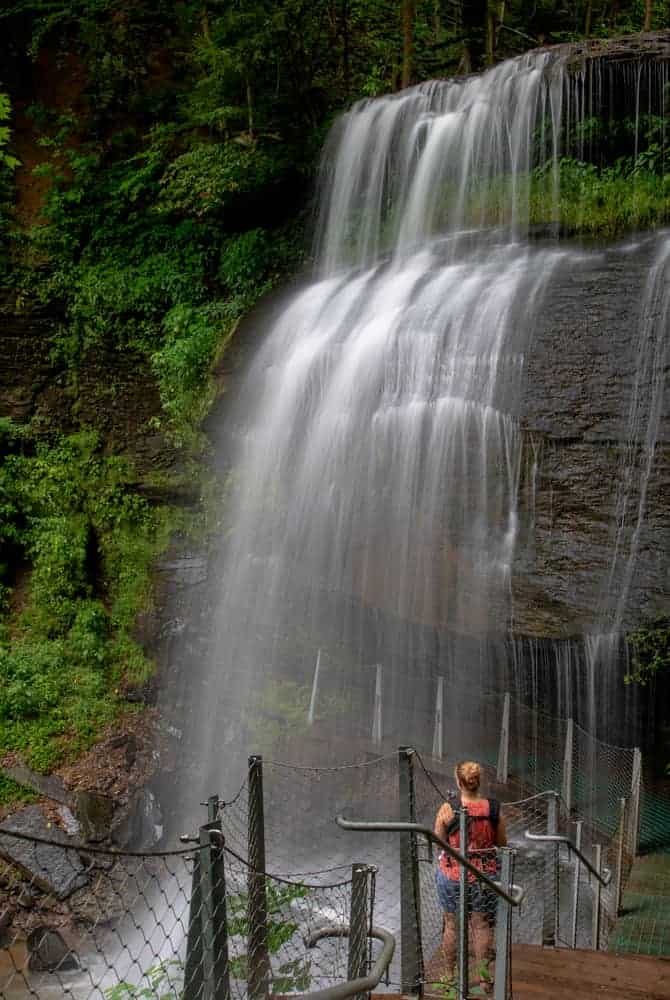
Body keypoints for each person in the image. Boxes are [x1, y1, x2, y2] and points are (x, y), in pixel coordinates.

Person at [434, 760, 506, 992]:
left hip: (453, 872)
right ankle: (484, 978)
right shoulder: (493, 809)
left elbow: (438, 841)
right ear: (479, 782)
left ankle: (447, 976)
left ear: (458, 781)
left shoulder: (447, 808)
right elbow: (502, 843)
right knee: (482, 925)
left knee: (452, 926)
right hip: (484, 875)